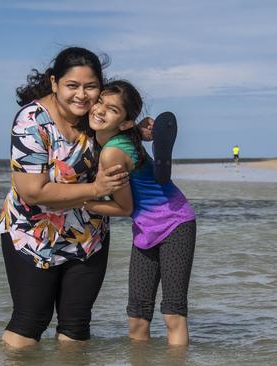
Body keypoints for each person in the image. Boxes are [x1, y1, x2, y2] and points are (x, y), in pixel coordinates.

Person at [0, 47, 129, 349]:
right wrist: (95, 189)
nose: (82, 95)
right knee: (30, 322)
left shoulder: (95, 118)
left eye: (90, 86)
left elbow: (122, 123)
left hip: (87, 235)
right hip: (33, 234)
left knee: (77, 325)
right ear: (54, 83)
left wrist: (142, 131)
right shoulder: (31, 120)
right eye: (72, 86)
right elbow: (34, 191)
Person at [84, 80, 197, 346]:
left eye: (111, 109)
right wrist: (142, 127)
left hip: (175, 224)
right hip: (146, 229)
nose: (99, 110)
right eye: (99, 101)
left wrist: (81, 202)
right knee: (137, 316)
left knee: (173, 313)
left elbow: (125, 208)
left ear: (124, 123)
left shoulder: (112, 152)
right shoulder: (113, 136)